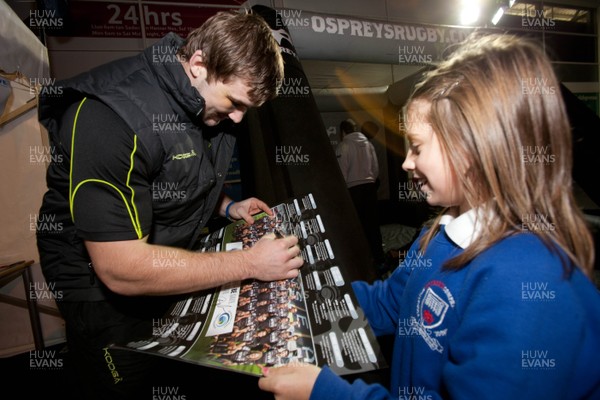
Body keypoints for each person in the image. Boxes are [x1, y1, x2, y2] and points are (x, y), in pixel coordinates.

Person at [259, 33, 600, 399]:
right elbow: (390, 303)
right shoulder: (441, 233)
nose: (406, 162)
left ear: (472, 148)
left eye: (418, 148)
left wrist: (323, 392)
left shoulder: (529, 285)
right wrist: (294, 298)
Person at [36, 9, 303, 400]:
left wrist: (228, 207)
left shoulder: (204, 100)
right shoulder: (108, 117)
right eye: (234, 102)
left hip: (157, 254)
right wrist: (250, 263)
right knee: (128, 380)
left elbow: (176, 178)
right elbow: (121, 269)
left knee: (175, 368)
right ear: (198, 64)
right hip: (98, 285)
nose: (238, 118)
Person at [336, 118, 385, 271]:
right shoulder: (368, 145)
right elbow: (376, 171)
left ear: (343, 131)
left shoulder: (343, 145)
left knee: (356, 227)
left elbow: (341, 175)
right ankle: (379, 261)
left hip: (353, 191)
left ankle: (359, 264)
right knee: (373, 226)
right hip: (370, 189)